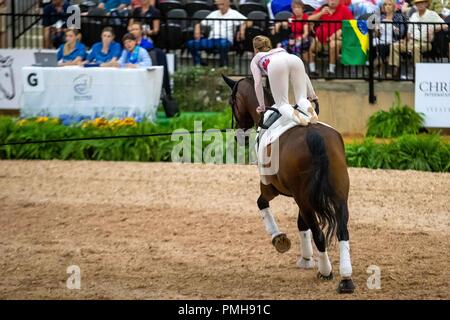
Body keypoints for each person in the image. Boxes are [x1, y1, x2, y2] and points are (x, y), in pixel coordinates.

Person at [250, 36, 318, 127]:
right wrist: (312, 94)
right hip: (294, 59)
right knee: (302, 98)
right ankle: (311, 110)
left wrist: (262, 107)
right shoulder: (280, 49)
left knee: (282, 104)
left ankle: (295, 116)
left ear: (255, 49)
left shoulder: (256, 58)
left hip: (276, 64)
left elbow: (258, 83)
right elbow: (304, 75)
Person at [388, 0, 448, 78]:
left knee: (416, 47)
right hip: (411, 41)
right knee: (394, 45)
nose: (420, 4)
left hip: (425, 43)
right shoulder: (413, 15)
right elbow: (409, 32)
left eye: (422, 2)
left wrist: (434, 28)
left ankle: (417, 72)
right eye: (418, 3)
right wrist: (405, 40)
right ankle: (395, 70)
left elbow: (445, 26)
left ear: (426, 3)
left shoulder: (432, 14)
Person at [186, 0, 247, 67]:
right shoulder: (214, 13)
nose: (220, 7)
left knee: (223, 44)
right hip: (211, 40)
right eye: (218, 5)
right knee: (191, 43)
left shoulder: (234, 13)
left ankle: (224, 65)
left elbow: (249, 22)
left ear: (228, 3)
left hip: (225, 40)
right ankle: (199, 64)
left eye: (222, 4)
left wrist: (242, 30)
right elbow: (201, 23)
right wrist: (197, 27)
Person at [308, 0, 354, 76]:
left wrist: (340, 31)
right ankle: (312, 70)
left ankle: (331, 70)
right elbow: (309, 19)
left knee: (333, 45)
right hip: (321, 39)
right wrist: (321, 13)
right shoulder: (323, 8)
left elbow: (351, 24)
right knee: (312, 47)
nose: (332, 2)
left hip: (337, 39)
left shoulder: (344, 9)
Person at [371, 0, 406, 74]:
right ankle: (378, 69)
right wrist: (377, 31)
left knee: (382, 47)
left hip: (394, 40)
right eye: (385, 5)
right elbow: (376, 35)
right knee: (374, 46)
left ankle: (374, 68)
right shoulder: (381, 17)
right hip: (382, 40)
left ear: (393, 6)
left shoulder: (399, 17)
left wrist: (392, 25)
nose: (387, 6)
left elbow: (401, 33)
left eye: (389, 4)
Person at [276, 0, 315, 64]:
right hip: (293, 38)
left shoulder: (305, 18)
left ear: (302, 9)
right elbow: (286, 25)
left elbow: (306, 33)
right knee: (280, 46)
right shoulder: (292, 18)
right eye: (294, 8)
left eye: (298, 7)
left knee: (295, 47)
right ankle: (283, 64)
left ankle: (296, 65)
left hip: (305, 39)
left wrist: (297, 40)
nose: (296, 10)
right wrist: (280, 24)